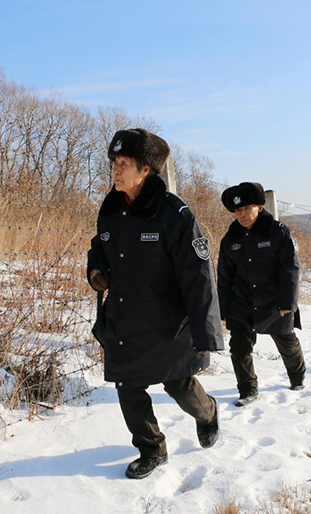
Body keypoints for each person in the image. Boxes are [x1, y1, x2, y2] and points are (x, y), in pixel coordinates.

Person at [87, 128, 224, 479]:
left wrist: (205, 331)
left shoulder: (174, 215)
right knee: (128, 386)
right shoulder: (111, 207)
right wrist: (96, 269)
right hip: (123, 318)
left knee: (178, 383)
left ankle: (208, 413)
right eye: (114, 163)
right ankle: (152, 448)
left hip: (167, 323)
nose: (116, 170)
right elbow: (98, 246)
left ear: (146, 169)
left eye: (124, 163)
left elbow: (199, 277)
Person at [217, 182, 306, 406]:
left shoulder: (278, 232)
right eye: (238, 211)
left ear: (258, 206)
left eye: (247, 209)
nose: (242, 214)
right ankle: (247, 390)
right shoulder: (230, 239)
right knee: (239, 349)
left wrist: (288, 302)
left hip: (275, 301)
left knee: (287, 342)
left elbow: (290, 269)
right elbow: (225, 277)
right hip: (242, 303)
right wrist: (223, 309)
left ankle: (297, 377)